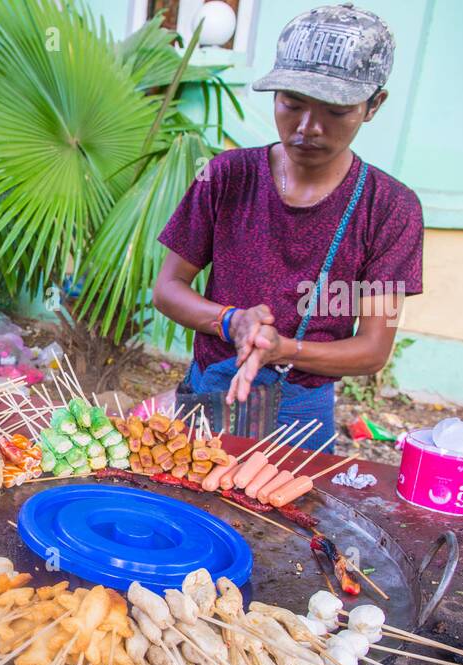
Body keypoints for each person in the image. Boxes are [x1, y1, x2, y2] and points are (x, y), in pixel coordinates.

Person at [152, 3, 423, 449]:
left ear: (374, 105)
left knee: (285, 517)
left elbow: (373, 348)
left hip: (301, 415)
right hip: (208, 391)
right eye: (291, 104)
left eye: (336, 112)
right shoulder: (224, 175)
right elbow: (168, 288)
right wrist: (231, 321)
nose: (308, 128)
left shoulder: (392, 207)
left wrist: (284, 349)